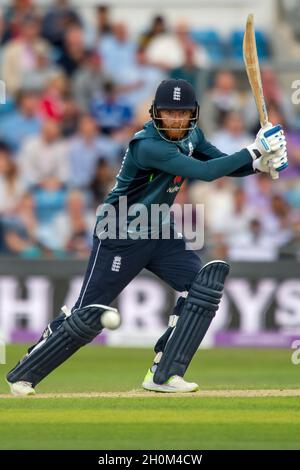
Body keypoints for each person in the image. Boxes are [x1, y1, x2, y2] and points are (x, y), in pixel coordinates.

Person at [6, 79, 288, 396]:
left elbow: (218, 162)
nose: (176, 120)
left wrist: (258, 164)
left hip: (159, 229)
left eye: (182, 114)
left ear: (193, 115)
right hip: (119, 232)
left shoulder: (193, 135)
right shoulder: (147, 146)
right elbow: (205, 173)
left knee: (203, 287)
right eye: (169, 113)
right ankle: (26, 372)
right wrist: (254, 150)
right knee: (87, 313)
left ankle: (165, 373)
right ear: (156, 113)